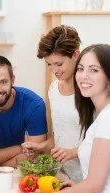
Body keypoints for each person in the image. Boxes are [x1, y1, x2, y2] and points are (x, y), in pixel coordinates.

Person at [20, 44, 110, 193]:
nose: (84, 76)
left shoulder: (106, 118)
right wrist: (73, 190)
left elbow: (95, 186)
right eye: (81, 69)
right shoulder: (102, 117)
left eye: (94, 70)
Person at [22, 25, 83, 182]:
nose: (54, 70)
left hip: (90, 176)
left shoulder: (89, 92)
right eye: (49, 64)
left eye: (59, 64)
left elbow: (103, 141)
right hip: (65, 176)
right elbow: (61, 135)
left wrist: (73, 152)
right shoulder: (54, 89)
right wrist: (42, 147)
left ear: (75, 55)